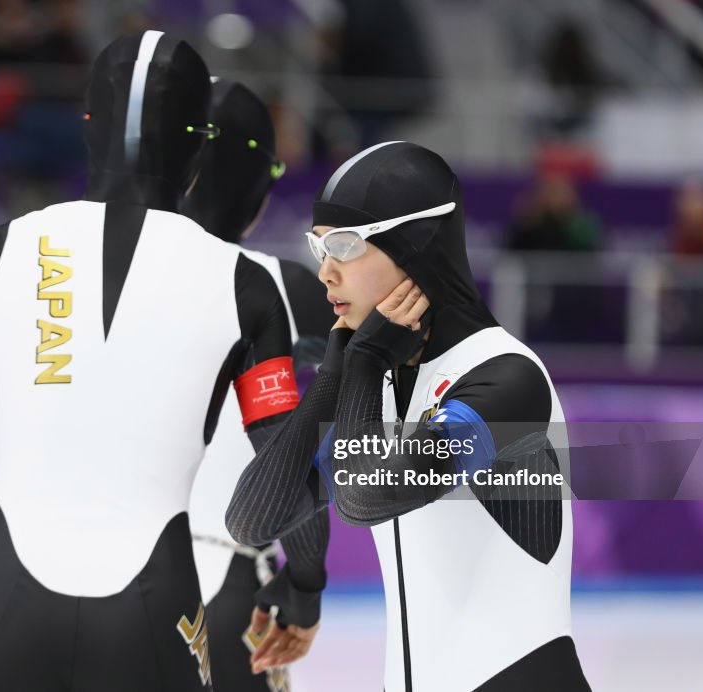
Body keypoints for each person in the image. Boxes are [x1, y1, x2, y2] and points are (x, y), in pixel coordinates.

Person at [0, 31, 306, 691]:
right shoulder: (247, 288)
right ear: (197, 144)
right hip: (154, 605)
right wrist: (307, 584)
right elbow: (284, 488)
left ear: (88, 130)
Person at [226, 141, 591, 691]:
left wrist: (365, 363)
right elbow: (251, 521)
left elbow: (362, 498)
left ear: (414, 245)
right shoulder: (380, 389)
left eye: (345, 246)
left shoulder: (507, 380)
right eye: (319, 248)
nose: (325, 272)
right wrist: (333, 378)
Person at [179, 78, 334, 690]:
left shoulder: (93, 274)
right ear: (261, 186)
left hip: (86, 575)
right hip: (233, 580)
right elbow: (294, 458)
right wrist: (306, 581)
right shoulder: (289, 289)